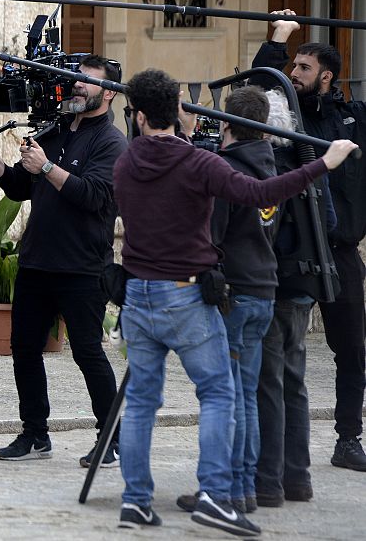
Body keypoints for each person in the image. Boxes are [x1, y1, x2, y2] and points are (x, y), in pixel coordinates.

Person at [113, 68, 357, 535]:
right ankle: (215, 495)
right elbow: (260, 192)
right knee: (221, 393)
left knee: (143, 403)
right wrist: (325, 163)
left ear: (139, 116)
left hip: (138, 296)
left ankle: (136, 502)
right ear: (181, 112)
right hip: (184, 295)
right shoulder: (197, 163)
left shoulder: (125, 162)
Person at [0, 55, 126, 466]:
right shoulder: (53, 130)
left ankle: (112, 438)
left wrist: (49, 167)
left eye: (86, 81)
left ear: (108, 92)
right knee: (23, 348)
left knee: (88, 352)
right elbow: (23, 187)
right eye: (74, 78)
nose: (76, 86)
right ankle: (35, 434)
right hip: (37, 261)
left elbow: (95, 196)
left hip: (82, 266)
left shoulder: (112, 142)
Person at [251, 11, 366, 473]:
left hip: (340, 253)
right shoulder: (284, 116)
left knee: (352, 349)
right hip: (293, 254)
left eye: (302, 67)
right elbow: (258, 86)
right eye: (291, 65)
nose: (292, 73)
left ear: (327, 77)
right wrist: (280, 36)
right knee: (279, 353)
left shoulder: (354, 119)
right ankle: (275, 450)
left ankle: (348, 438)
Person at [175, 86, 279, 515]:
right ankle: (246, 487)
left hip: (233, 295)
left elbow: (209, 239)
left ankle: (228, 491)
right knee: (247, 395)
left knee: (228, 398)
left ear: (226, 125)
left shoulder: (227, 172)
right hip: (263, 290)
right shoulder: (272, 168)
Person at [255, 89, 337, 506]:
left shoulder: (269, 169)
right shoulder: (309, 167)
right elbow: (330, 222)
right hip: (304, 289)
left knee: (268, 385)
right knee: (294, 384)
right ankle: (298, 478)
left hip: (275, 288)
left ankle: (268, 481)